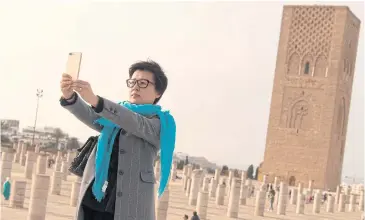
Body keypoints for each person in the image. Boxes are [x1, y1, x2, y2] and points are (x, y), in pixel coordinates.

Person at [60, 60, 176, 220]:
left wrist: (96, 101)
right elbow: (93, 116)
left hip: (130, 206)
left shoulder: (159, 123)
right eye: (132, 82)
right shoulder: (114, 115)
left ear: (158, 93)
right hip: (96, 200)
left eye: (143, 83)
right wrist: (70, 97)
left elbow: (135, 122)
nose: (135, 87)